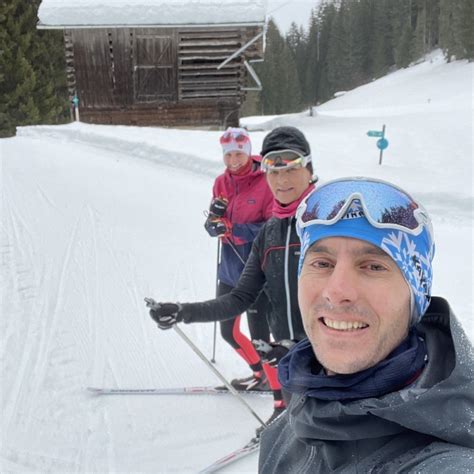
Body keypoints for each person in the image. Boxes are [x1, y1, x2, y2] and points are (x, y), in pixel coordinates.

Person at [258, 177, 474, 472]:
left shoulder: (445, 462)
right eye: (322, 263)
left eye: (373, 266)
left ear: (416, 295)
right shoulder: (284, 430)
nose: (337, 291)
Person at [146, 126, 317, 427]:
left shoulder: (327, 222)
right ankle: (278, 405)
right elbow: (238, 298)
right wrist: (182, 311)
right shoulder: (270, 234)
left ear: (309, 168)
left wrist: (299, 346)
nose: (282, 179)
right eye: (273, 170)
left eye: (291, 166)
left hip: (330, 369)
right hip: (294, 371)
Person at [204, 127, 273, 391]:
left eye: (238, 154)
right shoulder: (221, 182)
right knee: (227, 332)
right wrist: (214, 225)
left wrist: (233, 230)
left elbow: (271, 229)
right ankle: (261, 374)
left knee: (260, 336)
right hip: (230, 269)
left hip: (256, 270)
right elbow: (213, 221)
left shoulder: (266, 181)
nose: (233, 160)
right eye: (228, 154)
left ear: (248, 151)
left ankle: (276, 387)